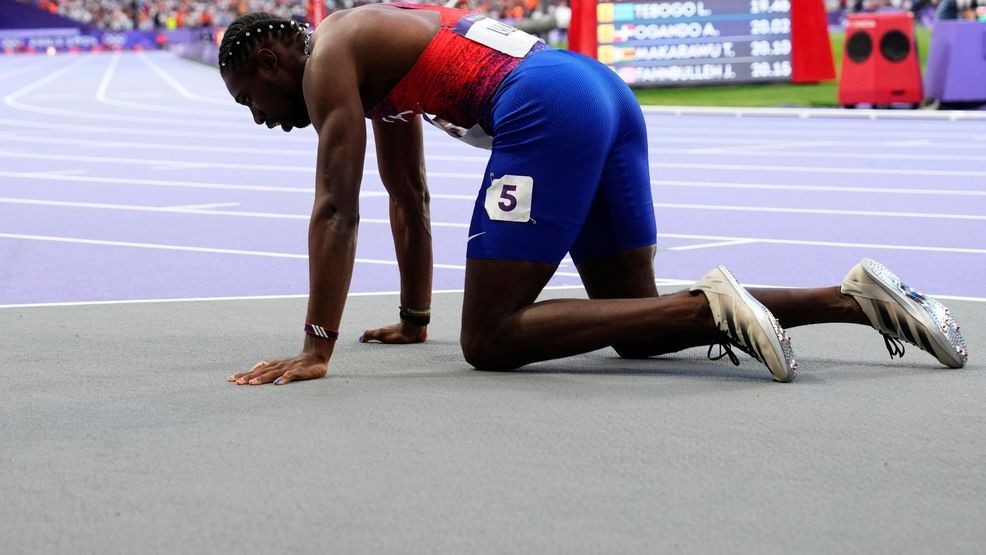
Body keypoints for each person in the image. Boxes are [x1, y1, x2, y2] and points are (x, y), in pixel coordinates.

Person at [221, 3, 968, 386]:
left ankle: (711, 306)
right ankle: (854, 298)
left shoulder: (329, 63)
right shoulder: (363, 58)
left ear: (271, 57)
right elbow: (408, 196)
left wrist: (315, 348)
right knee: (636, 326)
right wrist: (415, 319)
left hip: (548, 107)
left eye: (245, 95)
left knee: (490, 338)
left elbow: (336, 208)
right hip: (598, 91)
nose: (256, 117)